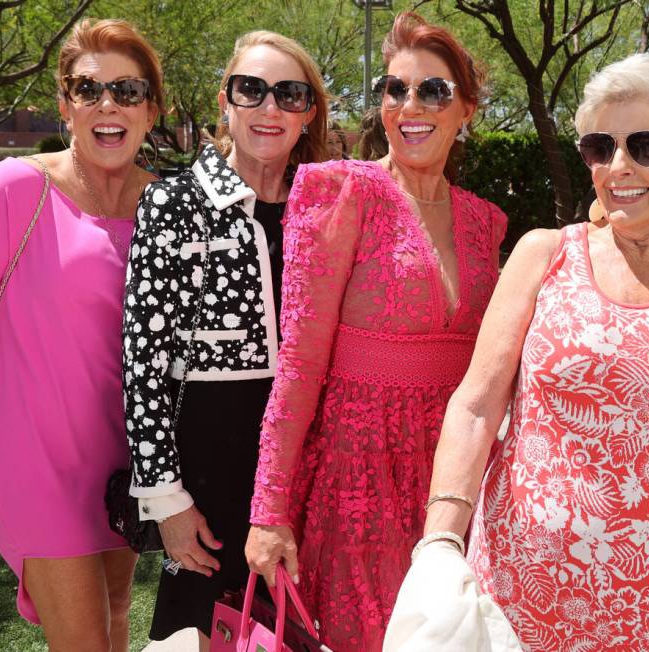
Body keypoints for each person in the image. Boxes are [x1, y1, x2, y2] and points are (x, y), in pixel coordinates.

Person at [410, 53, 649, 651]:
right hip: (516, 593)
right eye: (599, 148)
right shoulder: (545, 255)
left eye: (645, 146)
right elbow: (476, 407)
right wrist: (439, 543)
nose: (619, 166)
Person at [245, 12, 508, 651]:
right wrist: (269, 509)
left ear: (466, 108)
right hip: (355, 478)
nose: (409, 106)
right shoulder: (340, 191)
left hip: (454, 481)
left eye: (433, 90)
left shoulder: (486, 222)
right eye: (395, 89)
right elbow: (300, 362)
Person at [0, 19, 161, 650]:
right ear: (65, 104)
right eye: (89, 89)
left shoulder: (165, 207)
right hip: (31, 456)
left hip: (125, 459)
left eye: (128, 91)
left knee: (114, 615)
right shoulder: (16, 187)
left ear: (151, 110)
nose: (108, 104)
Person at [123, 31, 329, 648]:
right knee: (206, 630)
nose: (270, 108)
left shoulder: (325, 205)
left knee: (297, 628)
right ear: (226, 102)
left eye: (289, 94)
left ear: (308, 112)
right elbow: (143, 366)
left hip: (307, 458)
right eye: (252, 90)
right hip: (208, 466)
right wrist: (169, 505)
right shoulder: (173, 202)